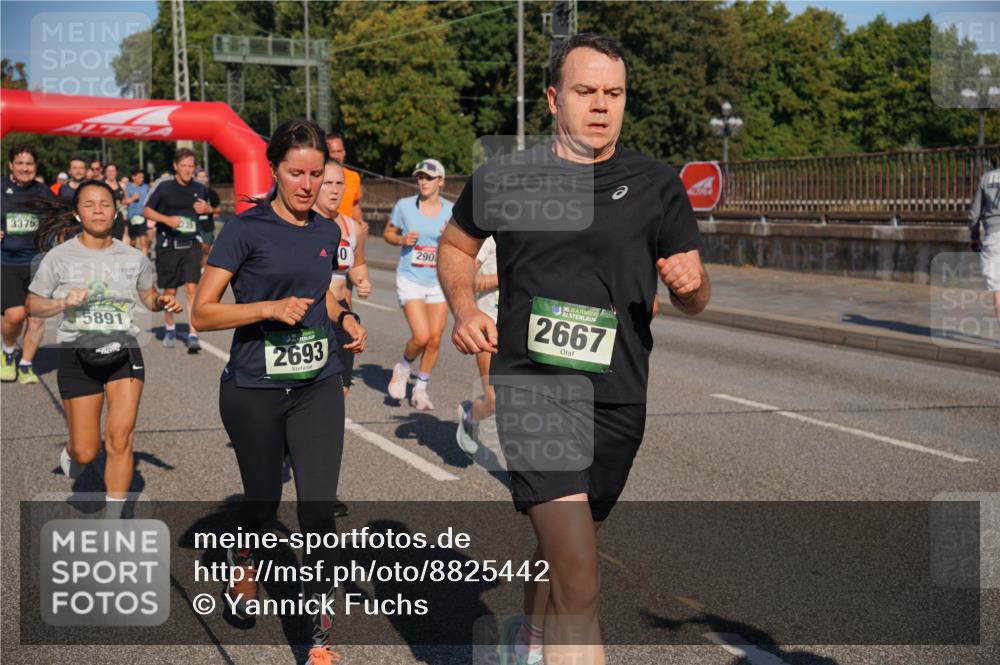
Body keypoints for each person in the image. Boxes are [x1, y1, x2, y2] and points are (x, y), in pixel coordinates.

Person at [438, 34, 710, 665]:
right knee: (583, 579)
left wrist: (693, 287)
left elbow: (695, 296)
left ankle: (524, 640)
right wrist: (465, 307)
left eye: (613, 94)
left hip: (618, 397)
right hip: (535, 391)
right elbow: (454, 248)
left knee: (569, 549)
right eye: (586, 92)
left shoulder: (656, 184)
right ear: (554, 98)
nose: (601, 106)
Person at [191, 118, 366, 665]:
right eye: (297, 173)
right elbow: (202, 313)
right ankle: (242, 561)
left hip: (318, 381)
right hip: (253, 385)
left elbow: (320, 298)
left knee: (317, 509)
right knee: (264, 501)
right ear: (274, 170)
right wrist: (266, 308)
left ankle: (319, 640)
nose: (308, 185)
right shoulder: (245, 229)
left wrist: (345, 318)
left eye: (317, 174)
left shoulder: (326, 231)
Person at [25, 180, 181, 516]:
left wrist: (162, 301)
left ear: (116, 209)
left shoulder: (134, 257)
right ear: (77, 212)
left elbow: (147, 297)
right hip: (76, 352)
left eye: (105, 203)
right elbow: (32, 305)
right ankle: (72, 453)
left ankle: (114, 519)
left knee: (120, 437)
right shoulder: (59, 257)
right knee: (85, 450)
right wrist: (62, 301)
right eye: (89, 204)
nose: (98, 210)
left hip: (124, 350)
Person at [312, 158, 373, 519]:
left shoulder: (351, 227)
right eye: (328, 183)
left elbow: (358, 265)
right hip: (310, 320)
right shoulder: (305, 226)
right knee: (312, 401)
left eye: (339, 185)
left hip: (342, 321)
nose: (334, 191)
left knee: (336, 401)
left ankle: (324, 490)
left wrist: (362, 281)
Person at [383, 159, 453, 410]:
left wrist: (450, 237)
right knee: (421, 336)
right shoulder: (404, 206)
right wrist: (402, 238)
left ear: (440, 182)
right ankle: (403, 366)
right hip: (410, 278)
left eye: (429, 177)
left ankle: (420, 389)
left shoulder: (452, 211)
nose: (423, 181)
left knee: (435, 339)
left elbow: (462, 244)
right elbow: (388, 233)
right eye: (420, 177)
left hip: (438, 281)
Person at [143, 148, 209, 352]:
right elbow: (147, 210)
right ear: (175, 166)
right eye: (184, 166)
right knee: (170, 291)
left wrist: (206, 210)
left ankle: (192, 333)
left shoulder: (200, 187)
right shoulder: (164, 188)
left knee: (192, 289)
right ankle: (170, 327)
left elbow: (209, 211)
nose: (188, 170)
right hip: (168, 246)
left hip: (191, 245)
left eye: (191, 166)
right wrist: (166, 220)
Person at [1, 144, 54, 384]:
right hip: (7, 261)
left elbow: (59, 220)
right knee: (14, 315)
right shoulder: (1, 187)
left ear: (36, 166)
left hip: (37, 263)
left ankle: (25, 364)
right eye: (20, 163)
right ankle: (8, 351)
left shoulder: (43, 192)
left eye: (29, 164)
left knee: (36, 317)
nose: (25, 168)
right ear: (11, 165)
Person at [455, 235, 498, 456]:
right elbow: (467, 280)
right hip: (488, 324)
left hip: (522, 326)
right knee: (494, 400)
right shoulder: (491, 239)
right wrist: (505, 278)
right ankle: (470, 415)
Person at [969, 165, 1000, 343]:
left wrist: (974, 236)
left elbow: (974, 213)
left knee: (998, 290)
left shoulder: (987, 178)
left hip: (994, 238)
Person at [325, 132, 364, 222]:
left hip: (347, 230)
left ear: (344, 152)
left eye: (339, 151)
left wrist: (360, 223)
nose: (336, 156)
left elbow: (354, 205)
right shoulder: (318, 175)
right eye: (332, 152)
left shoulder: (354, 176)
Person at [194, 168, 222, 269]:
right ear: (195, 178)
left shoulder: (212, 193)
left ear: (207, 179)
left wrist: (210, 210)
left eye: (204, 176)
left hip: (207, 224)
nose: (202, 179)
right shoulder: (190, 191)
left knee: (206, 249)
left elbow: (219, 210)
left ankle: (202, 271)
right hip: (194, 224)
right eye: (199, 176)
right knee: (195, 249)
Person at [125, 169, 150, 255]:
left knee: (143, 240)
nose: (141, 179)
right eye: (139, 177)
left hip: (142, 216)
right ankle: (133, 258)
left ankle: (145, 260)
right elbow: (125, 201)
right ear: (133, 177)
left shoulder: (146, 187)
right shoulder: (128, 187)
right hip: (131, 217)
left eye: (142, 177)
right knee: (133, 241)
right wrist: (133, 198)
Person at [104, 163, 128, 241]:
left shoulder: (121, 185)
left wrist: (122, 204)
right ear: (105, 172)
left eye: (113, 171)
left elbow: (126, 200)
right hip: (106, 216)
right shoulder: (102, 185)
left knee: (118, 240)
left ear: (116, 172)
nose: (111, 173)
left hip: (119, 216)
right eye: (109, 171)